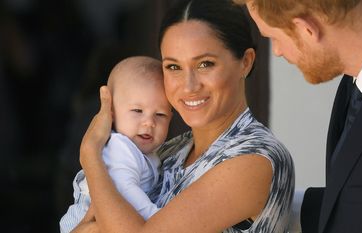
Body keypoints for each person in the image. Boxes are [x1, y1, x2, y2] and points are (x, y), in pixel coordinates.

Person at [72, 0, 295, 232]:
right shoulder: (170, 151)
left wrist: (90, 155)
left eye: (205, 64)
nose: (188, 86)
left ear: (245, 63)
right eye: (173, 67)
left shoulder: (254, 158)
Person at [233, 0, 362, 232]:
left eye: (273, 38)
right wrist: (264, 202)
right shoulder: (359, 80)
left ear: (307, 29)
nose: (277, 51)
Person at [60, 56, 173, 232]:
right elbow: (125, 190)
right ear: (111, 112)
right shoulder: (119, 148)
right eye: (137, 111)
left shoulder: (146, 152)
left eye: (160, 115)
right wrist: (156, 219)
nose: (149, 122)